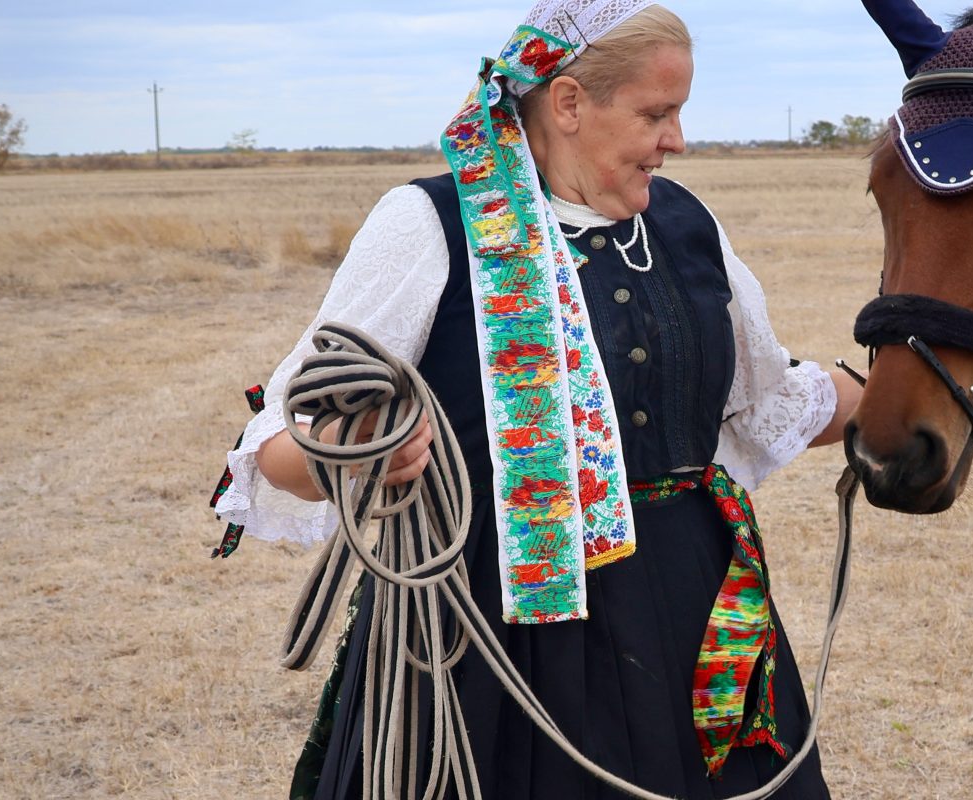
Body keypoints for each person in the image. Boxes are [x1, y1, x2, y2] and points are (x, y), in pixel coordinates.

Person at [212, 2, 860, 797]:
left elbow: (770, 400)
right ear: (569, 102)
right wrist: (358, 443)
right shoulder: (432, 226)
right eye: (657, 113)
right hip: (490, 640)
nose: (677, 141)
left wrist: (902, 393)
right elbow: (283, 441)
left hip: (695, 619)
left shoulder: (688, 225)